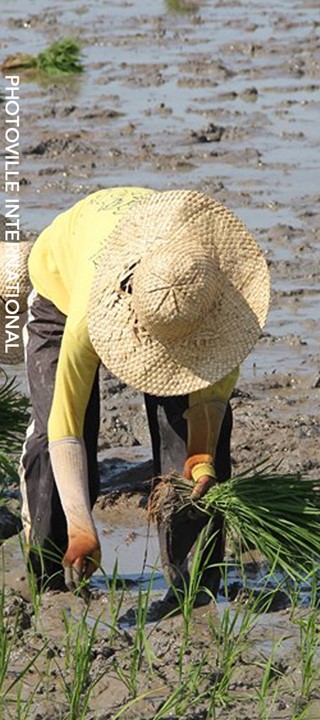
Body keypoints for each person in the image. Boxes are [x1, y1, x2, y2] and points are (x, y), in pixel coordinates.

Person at [21, 188, 270, 597]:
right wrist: (83, 527)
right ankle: (53, 575)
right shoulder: (86, 316)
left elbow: (209, 403)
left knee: (186, 454)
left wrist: (201, 458)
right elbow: (66, 426)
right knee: (51, 441)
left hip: (165, 270)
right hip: (61, 285)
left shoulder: (216, 302)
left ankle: (195, 588)